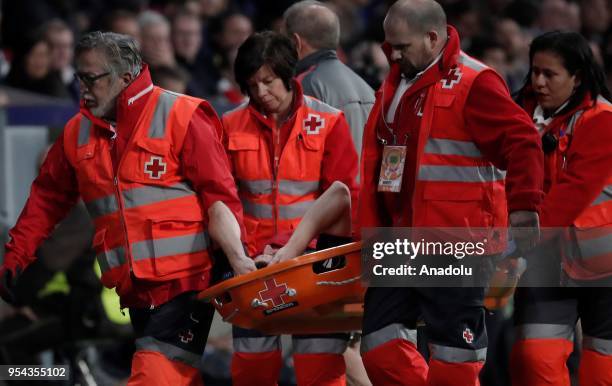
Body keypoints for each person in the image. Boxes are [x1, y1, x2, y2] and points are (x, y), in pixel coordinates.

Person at [0, 31, 255, 386]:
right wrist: (16, 256)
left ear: (125, 77)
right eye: (79, 78)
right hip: (130, 295)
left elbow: (220, 197)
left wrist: (236, 259)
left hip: (184, 286)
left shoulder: (181, 115)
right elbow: (46, 198)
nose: (83, 88)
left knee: (153, 377)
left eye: (91, 78)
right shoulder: (77, 134)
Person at [357, 1, 544, 385]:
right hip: (401, 240)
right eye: (388, 45)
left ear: (432, 37)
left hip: (458, 241)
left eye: (401, 46)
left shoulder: (476, 81)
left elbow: (523, 139)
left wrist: (525, 206)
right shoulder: (396, 81)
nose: (392, 53)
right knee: (377, 346)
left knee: (455, 356)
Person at [222, 31, 359, 386]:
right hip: (254, 268)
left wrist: (297, 252)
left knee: (321, 371)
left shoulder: (329, 121)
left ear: (288, 75)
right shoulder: (228, 125)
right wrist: (245, 256)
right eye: (251, 85)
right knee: (252, 370)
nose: (260, 93)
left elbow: (342, 199)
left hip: (313, 267)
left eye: (268, 82)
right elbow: (225, 199)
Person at [510, 31, 612, 386]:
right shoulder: (516, 117)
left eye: (549, 74)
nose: (538, 82)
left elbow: (573, 192)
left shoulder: (602, 120)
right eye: (534, 71)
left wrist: (519, 242)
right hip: (548, 264)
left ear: (577, 77)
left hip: (604, 266)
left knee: (603, 370)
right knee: (535, 359)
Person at [283, 0, 375, 159]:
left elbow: (298, 160)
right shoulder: (368, 88)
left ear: (296, 42)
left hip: (327, 184)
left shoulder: (303, 84)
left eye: (283, 42)